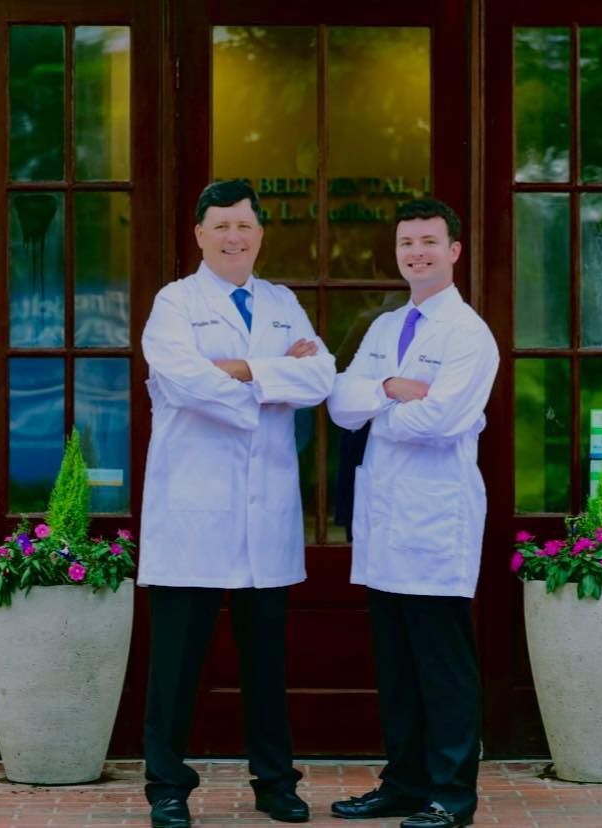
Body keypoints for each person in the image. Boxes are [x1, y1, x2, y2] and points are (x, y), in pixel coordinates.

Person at [139, 179, 335, 828]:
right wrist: (270, 373)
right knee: (176, 666)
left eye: (244, 226)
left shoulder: (281, 304)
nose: (233, 236)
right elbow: (183, 381)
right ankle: (167, 787)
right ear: (198, 234)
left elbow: (321, 377)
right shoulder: (175, 303)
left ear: (260, 234)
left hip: (265, 514)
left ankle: (274, 782)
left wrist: (240, 369)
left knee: (266, 663)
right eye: (220, 225)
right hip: (193, 513)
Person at [327, 198, 499, 828]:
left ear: (454, 250)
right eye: (407, 243)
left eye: (429, 241)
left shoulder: (468, 334)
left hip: (434, 522)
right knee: (396, 666)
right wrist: (392, 390)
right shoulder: (382, 328)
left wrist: (382, 405)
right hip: (382, 521)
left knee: (442, 667)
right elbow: (341, 403)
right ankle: (402, 783)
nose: (416, 253)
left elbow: (443, 420)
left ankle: (451, 796)